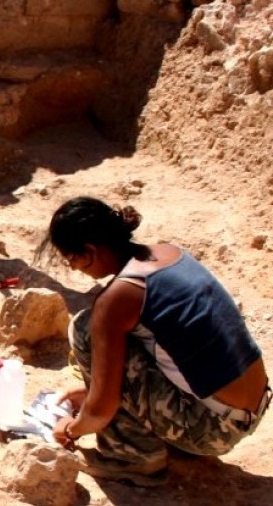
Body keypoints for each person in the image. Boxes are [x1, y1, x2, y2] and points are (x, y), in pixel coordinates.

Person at [42, 196, 270, 486]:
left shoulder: (119, 298)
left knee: (86, 328)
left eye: (72, 259)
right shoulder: (169, 253)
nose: (74, 269)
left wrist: (72, 428)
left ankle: (133, 458)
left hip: (215, 429)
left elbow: (100, 411)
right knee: (129, 333)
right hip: (252, 406)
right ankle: (169, 430)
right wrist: (93, 389)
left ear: (90, 251)